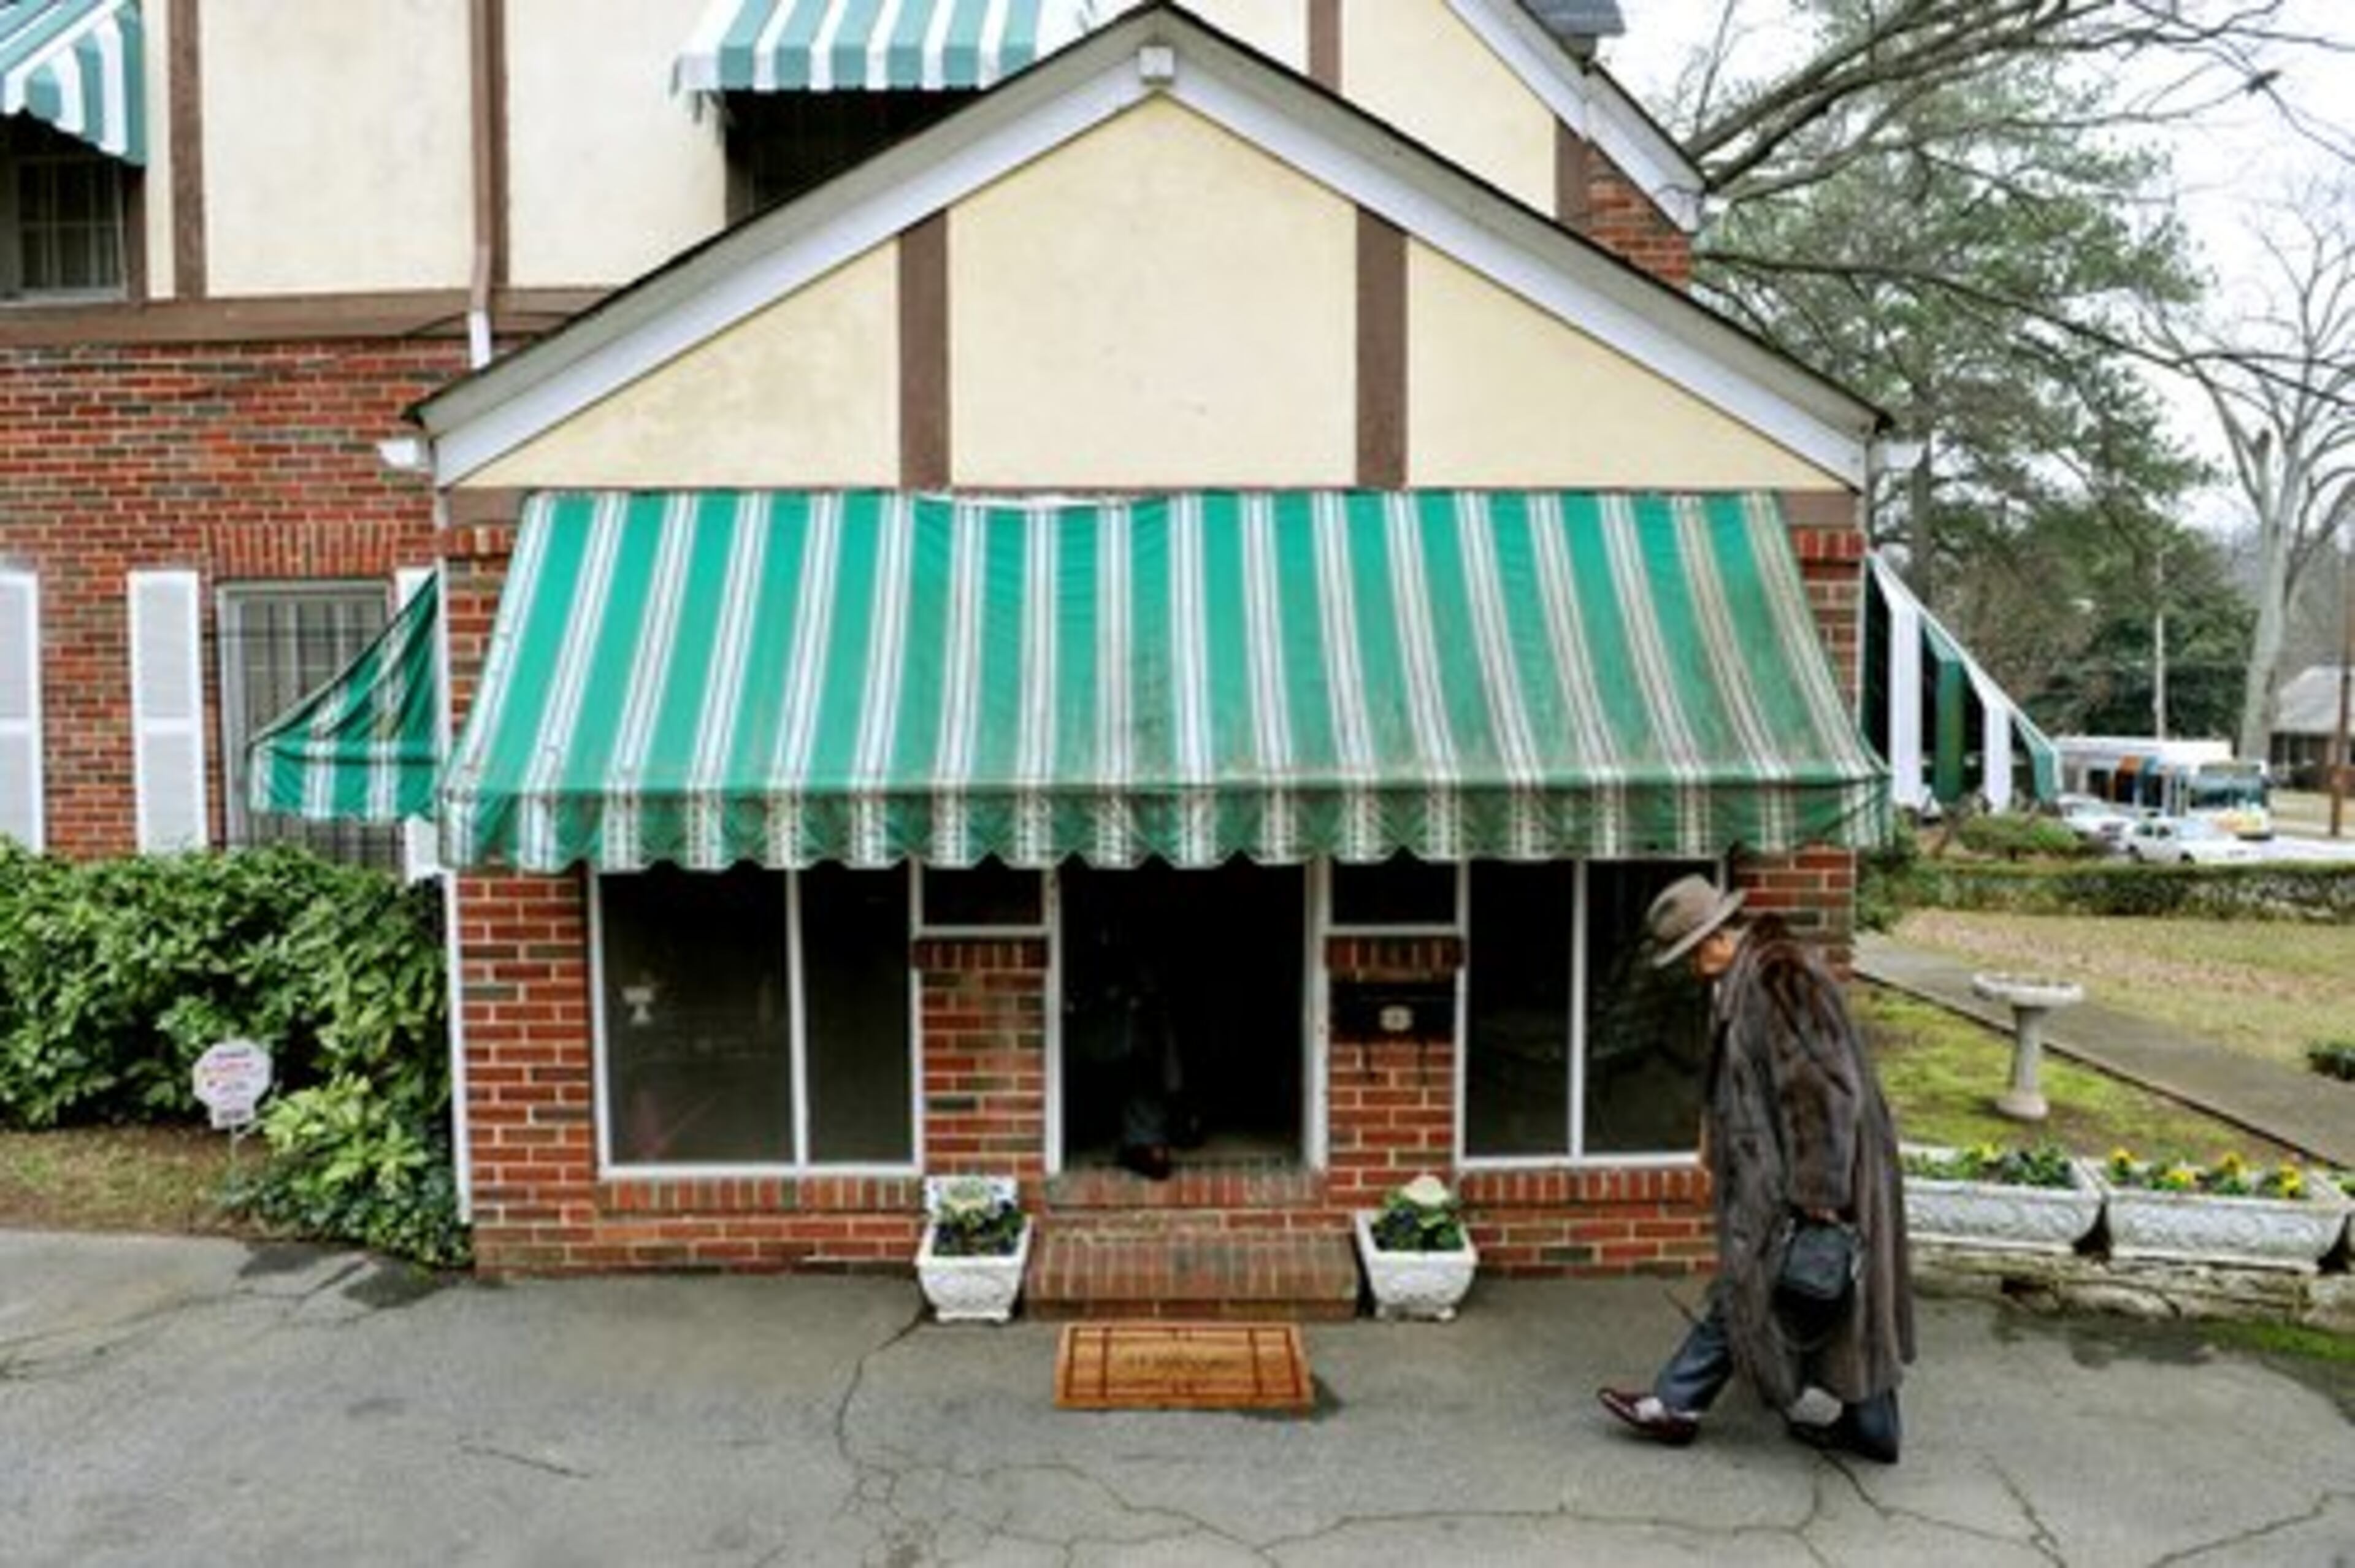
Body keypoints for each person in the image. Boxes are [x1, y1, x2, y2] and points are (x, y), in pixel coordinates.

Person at [1597, 874, 1915, 1463]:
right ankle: (1873, 1425)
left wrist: (1820, 1188)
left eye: (1693, 953)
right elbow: (1748, 1081)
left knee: (1757, 1281)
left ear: (1715, 937)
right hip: (1801, 1164)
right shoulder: (1751, 977)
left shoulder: (1778, 976)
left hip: (1815, 1168)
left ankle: (1677, 1402)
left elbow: (1821, 1089)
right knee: (1838, 1289)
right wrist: (1712, 1139)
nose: (1694, 968)